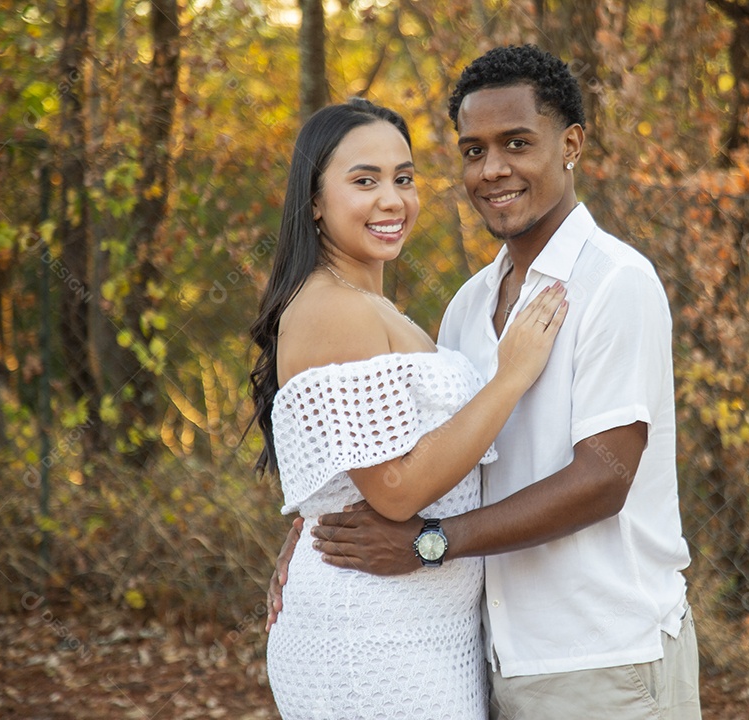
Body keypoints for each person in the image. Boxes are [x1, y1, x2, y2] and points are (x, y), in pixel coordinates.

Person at [269, 46, 702, 719]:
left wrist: (431, 544)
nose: (493, 168)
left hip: (602, 657)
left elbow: (605, 477)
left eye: (517, 143)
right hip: (491, 654)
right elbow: (424, 456)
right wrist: (318, 527)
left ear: (571, 145)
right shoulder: (468, 307)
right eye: (474, 150)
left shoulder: (615, 282)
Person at [249, 97, 568, 719]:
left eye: (404, 178)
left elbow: (362, 473)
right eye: (364, 181)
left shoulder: (373, 307)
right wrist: (511, 378)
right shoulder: (330, 308)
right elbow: (394, 491)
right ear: (315, 201)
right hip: (372, 640)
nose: (392, 200)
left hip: (413, 629)